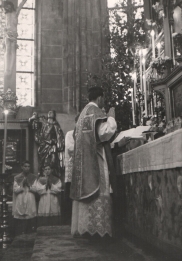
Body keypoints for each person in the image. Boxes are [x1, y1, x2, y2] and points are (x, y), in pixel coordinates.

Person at [70, 87, 117, 237]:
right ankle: (98, 231)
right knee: (100, 188)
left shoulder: (83, 114)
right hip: (95, 161)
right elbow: (105, 133)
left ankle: (86, 229)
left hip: (83, 164)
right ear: (100, 98)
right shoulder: (96, 112)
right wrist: (111, 117)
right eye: (103, 98)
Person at [29, 110, 65, 177]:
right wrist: (35, 116)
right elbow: (35, 124)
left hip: (52, 148)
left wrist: (53, 142)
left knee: (52, 162)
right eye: (48, 112)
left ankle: (53, 177)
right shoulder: (43, 124)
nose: (49, 113)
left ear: (54, 115)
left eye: (51, 112)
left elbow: (59, 138)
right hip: (43, 147)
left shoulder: (56, 126)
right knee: (43, 163)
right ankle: (43, 176)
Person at [3, 0, 28, 75]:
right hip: (7, 34)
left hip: (13, 34)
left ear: (11, 5)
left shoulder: (15, 13)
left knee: (12, 51)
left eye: (8, 5)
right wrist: (4, 33)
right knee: (8, 51)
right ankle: (7, 69)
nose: (7, 7)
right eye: (6, 6)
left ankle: (10, 69)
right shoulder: (6, 14)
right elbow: (5, 26)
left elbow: (21, 5)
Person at [12, 160, 37, 235]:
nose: (27, 168)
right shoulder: (17, 177)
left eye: (28, 166)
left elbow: (36, 189)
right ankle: (21, 235)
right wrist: (22, 185)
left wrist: (29, 185)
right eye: (25, 166)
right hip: (21, 197)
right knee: (21, 219)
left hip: (30, 197)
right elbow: (15, 190)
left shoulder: (33, 177)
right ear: (22, 167)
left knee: (30, 217)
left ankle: (29, 233)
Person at [64, 114, 80, 224]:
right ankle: (69, 221)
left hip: (82, 170)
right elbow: (70, 148)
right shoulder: (70, 134)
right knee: (70, 196)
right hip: (72, 169)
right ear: (76, 122)